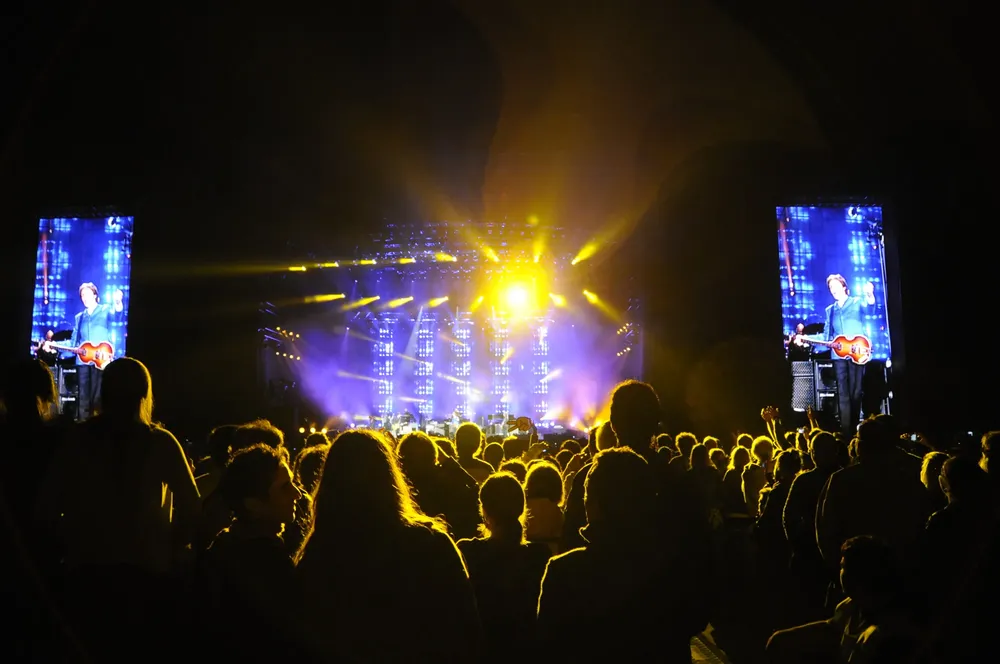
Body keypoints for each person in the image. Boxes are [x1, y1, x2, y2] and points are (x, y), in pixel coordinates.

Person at [798, 274, 875, 434]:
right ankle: (847, 432)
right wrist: (806, 339)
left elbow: (869, 307)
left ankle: (855, 428)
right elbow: (826, 338)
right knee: (843, 394)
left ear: (844, 286)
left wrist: (869, 294)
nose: (833, 289)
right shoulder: (830, 310)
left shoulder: (856, 302)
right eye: (830, 287)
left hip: (857, 353)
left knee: (855, 392)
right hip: (839, 356)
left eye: (835, 285)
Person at [44, 282, 124, 420]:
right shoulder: (79, 317)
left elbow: (117, 315)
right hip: (83, 363)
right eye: (82, 295)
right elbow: (73, 343)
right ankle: (83, 427)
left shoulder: (105, 309)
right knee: (83, 399)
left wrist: (117, 302)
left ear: (95, 295)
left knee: (98, 399)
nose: (84, 297)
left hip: (101, 362)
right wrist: (54, 345)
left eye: (87, 294)